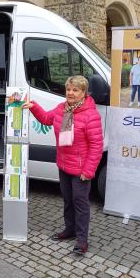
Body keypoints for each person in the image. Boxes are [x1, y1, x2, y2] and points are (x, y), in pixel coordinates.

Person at [22, 76, 103, 255]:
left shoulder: (91, 115)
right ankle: (70, 229)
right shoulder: (62, 109)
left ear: (84, 93)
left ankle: (82, 240)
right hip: (64, 165)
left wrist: (88, 171)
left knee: (80, 203)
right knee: (68, 200)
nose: (70, 93)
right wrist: (33, 106)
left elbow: (97, 146)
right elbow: (45, 118)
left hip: (81, 169)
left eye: (75, 90)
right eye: (68, 89)